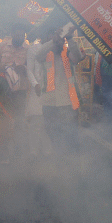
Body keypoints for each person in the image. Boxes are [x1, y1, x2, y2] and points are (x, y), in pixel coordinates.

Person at [31, 20, 85, 152]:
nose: (58, 42)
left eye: (60, 39)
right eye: (54, 38)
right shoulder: (46, 54)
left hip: (68, 100)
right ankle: (59, 161)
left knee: (71, 134)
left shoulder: (68, 52)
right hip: (49, 101)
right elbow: (38, 56)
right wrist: (52, 42)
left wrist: (70, 38)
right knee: (52, 132)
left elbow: (77, 57)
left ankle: (73, 161)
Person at [0, 23, 29, 163]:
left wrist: (24, 68)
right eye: (18, 34)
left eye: (23, 35)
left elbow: (32, 66)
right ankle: (3, 153)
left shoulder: (28, 49)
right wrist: (0, 67)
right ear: (12, 33)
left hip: (19, 91)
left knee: (19, 120)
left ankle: (18, 153)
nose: (20, 37)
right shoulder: (2, 46)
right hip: (2, 91)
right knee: (3, 121)